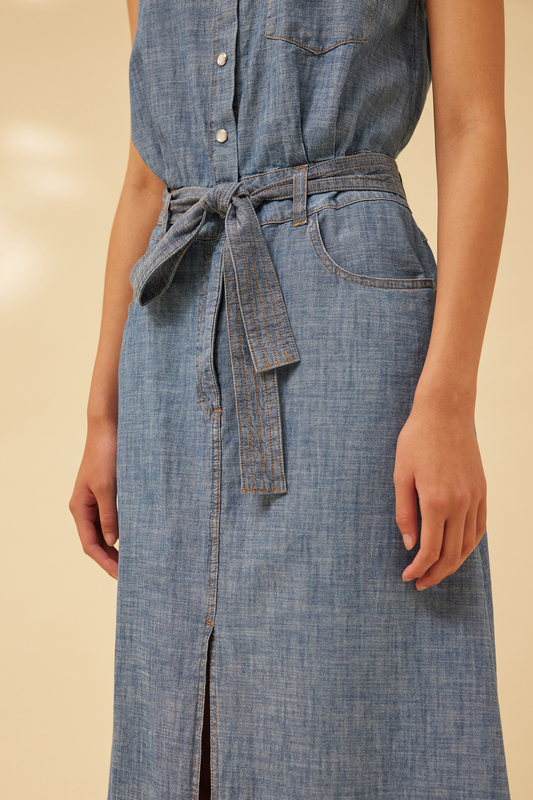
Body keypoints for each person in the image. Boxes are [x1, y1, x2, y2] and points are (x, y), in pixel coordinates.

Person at [69, 0, 511, 798]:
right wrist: (103, 417)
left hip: (351, 328)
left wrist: (447, 402)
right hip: (173, 328)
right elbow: (145, 179)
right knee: (179, 711)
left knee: (354, 686)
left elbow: (471, 124)